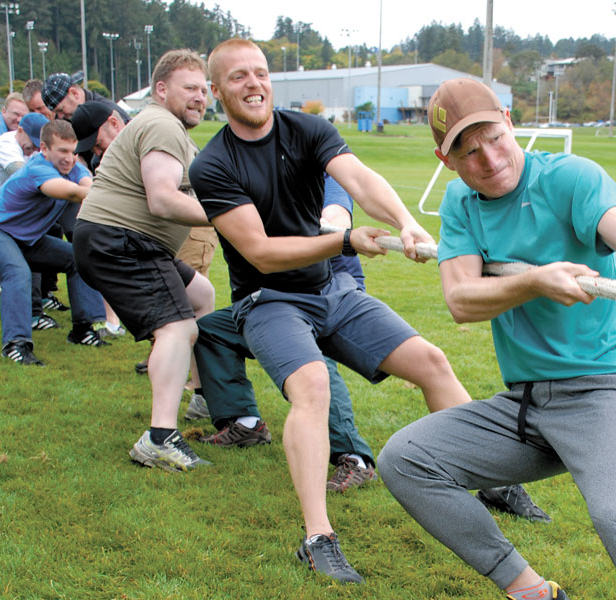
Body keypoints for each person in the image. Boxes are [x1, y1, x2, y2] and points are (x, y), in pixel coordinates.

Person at [189, 38, 526, 585]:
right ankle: (317, 538)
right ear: (216, 92)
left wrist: (405, 221)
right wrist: (343, 241)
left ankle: (494, 482)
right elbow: (261, 252)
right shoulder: (212, 165)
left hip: (330, 293)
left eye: (261, 73)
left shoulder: (307, 130)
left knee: (432, 362)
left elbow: (360, 178)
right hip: (268, 300)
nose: (253, 84)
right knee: (312, 388)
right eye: (237, 78)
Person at [377, 78, 616, 600]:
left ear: (510, 123)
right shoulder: (461, 202)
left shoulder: (570, 178)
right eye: (468, 152)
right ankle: (531, 591)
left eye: (494, 138)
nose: (489, 159)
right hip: (528, 403)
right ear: (446, 161)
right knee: (406, 459)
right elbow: (460, 300)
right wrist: (535, 280)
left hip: (608, 389)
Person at [72, 50, 215, 474]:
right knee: (177, 326)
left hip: (123, 241)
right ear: (161, 90)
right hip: (122, 240)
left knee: (201, 295)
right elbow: (162, 198)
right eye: (189, 88)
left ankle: (205, 396)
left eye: (204, 90)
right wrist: (230, 216)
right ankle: (159, 438)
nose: (199, 97)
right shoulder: (160, 124)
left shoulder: (165, 127)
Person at [192, 174, 380, 492]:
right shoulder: (249, 174)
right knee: (212, 330)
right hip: (269, 302)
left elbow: (335, 214)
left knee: (313, 360)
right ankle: (245, 423)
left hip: (329, 294)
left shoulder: (324, 174)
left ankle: (354, 458)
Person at [0, 120, 110, 366]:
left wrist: (95, 187)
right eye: (62, 151)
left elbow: (86, 184)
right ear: (44, 149)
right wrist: (117, 196)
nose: (70, 158)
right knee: (17, 272)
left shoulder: (71, 167)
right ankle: (16, 345)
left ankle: (82, 331)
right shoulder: (38, 168)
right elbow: (74, 193)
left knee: (78, 260)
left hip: (24, 239)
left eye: (73, 151)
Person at [42, 71, 129, 122]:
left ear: (74, 93)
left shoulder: (110, 113)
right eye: (56, 112)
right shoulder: (69, 118)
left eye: (61, 110)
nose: (60, 116)